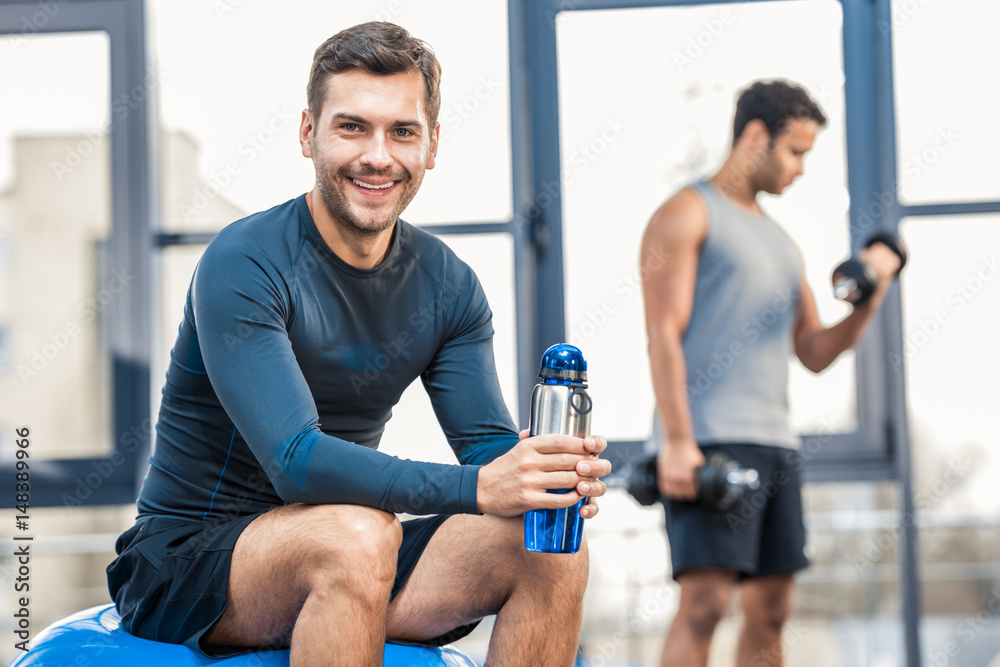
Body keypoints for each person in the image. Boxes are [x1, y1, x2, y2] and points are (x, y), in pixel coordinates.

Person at [107, 21, 610, 666]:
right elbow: (295, 461)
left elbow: (486, 448)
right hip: (188, 563)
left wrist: (543, 475)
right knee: (358, 533)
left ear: (430, 146)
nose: (378, 155)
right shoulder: (245, 260)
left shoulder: (448, 284)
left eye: (402, 131)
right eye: (352, 127)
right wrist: (480, 488)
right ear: (308, 133)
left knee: (550, 550)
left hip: (348, 552)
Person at [639, 80, 903, 667]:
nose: (802, 168)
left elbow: (812, 349)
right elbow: (663, 333)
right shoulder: (687, 213)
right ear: (756, 137)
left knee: (772, 609)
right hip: (707, 440)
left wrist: (868, 300)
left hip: (774, 443)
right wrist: (678, 442)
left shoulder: (783, 244)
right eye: (796, 151)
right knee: (704, 603)